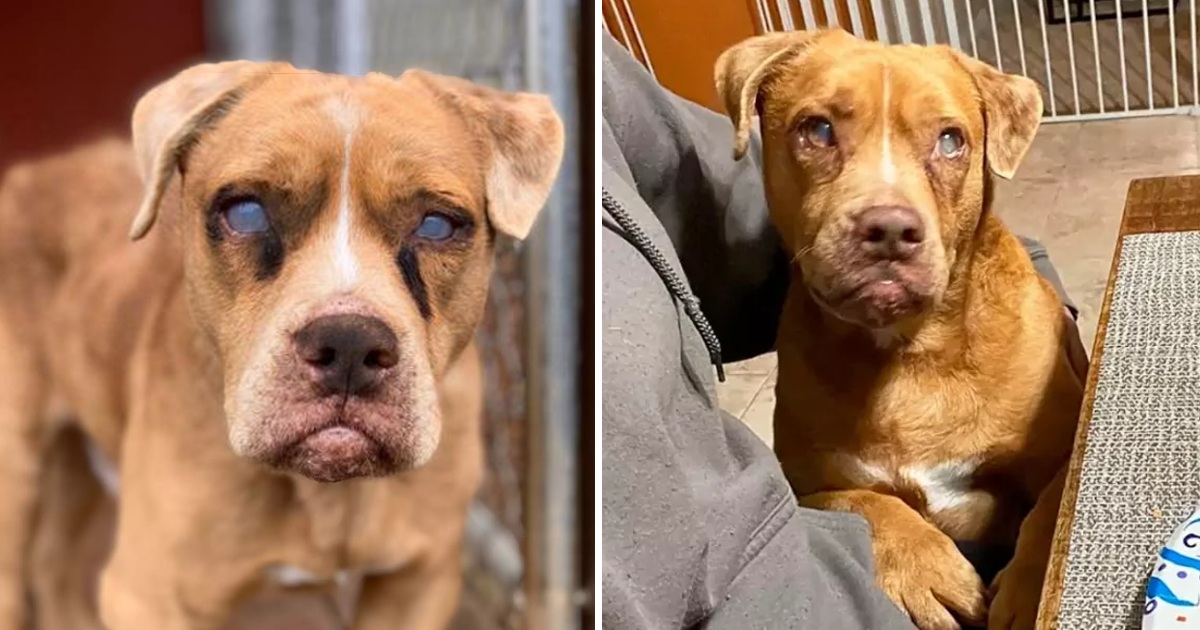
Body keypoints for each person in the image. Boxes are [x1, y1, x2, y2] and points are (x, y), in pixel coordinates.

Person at [600, 29, 1080, 629]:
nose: (890, 211)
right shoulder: (805, 369)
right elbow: (798, 501)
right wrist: (875, 519)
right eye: (819, 131)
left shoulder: (1024, 347)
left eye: (948, 142)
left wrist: (1046, 555)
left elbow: (1084, 459)